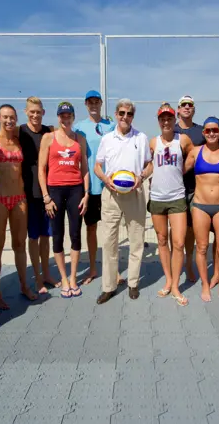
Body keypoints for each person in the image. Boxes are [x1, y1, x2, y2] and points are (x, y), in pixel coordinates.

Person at [94, 99, 151, 304]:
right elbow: (98, 166)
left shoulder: (141, 138)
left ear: (133, 116)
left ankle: (133, 283)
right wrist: (105, 179)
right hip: (112, 195)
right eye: (121, 113)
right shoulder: (107, 139)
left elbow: (149, 165)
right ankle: (109, 287)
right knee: (109, 242)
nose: (125, 117)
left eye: (129, 113)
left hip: (134, 194)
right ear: (116, 115)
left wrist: (141, 177)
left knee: (136, 240)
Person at [0, 104, 36, 307]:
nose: (9, 120)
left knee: (19, 244)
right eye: (5, 117)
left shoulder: (19, 139)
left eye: (12, 117)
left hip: (19, 198)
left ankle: (24, 285)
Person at [184, 116, 219, 303]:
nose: (212, 133)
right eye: (208, 130)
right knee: (201, 247)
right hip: (200, 206)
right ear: (203, 133)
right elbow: (180, 172)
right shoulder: (195, 152)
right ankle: (205, 285)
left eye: (215, 130)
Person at [38, 102, 90, 298]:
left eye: (68, 115)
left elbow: (84, 168)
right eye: (62, 115)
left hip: (75, 189)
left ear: (73, 117)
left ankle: (74, 277)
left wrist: (86, 194)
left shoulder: (79, 139)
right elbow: (42, 169)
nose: (65, 118)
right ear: (58, 117)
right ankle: (64, 279)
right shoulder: (48, 138)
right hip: (55, 191)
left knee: (76, 234)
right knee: (57, 235)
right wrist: (46, 197)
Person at [146, 103, 193, 306]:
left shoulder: (182, 139)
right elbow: (149, 165)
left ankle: (175, 285)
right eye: (162, 119)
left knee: (179, 242)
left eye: (169, 118)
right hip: (157, 197)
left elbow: (193, 154)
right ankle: (168, 280)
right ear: (158, 121)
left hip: (176, 197)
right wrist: (141, 176)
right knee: (162, 240)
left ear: (175, 120)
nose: (166, 122)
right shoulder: (153, 142)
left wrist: (183, 169)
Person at [72, 90, 116, 284]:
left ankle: (113, 270)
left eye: (96, 101)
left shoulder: (111, 125)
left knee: (111, 229)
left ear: (101, 103)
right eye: (90, 102)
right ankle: (92, 268)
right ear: (86, 104)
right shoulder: (79, 128)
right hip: (89, 186)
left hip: (109, 184)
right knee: (91, 228)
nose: (93, 104)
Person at [19, 97, 59, 298]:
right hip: (28, 193)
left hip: (47, 192)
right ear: (26, 112)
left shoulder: (49, 132)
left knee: (46, 236)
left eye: (38, 112)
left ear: (43, 113)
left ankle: (46, 274)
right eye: (31, 111)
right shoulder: (20, 133)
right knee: (33, 237)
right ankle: (36, 277)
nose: (35, 115)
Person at [174, 95, 205, 283]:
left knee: (192, 229)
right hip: (174, 189)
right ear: (178, 109)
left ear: (194, 109)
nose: (187, 107)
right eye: (183, 105)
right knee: (176, 231)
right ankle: (174, 264)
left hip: (195, 188)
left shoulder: (201, 132)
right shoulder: (171, 129)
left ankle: (188, 263)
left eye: (190, 105)